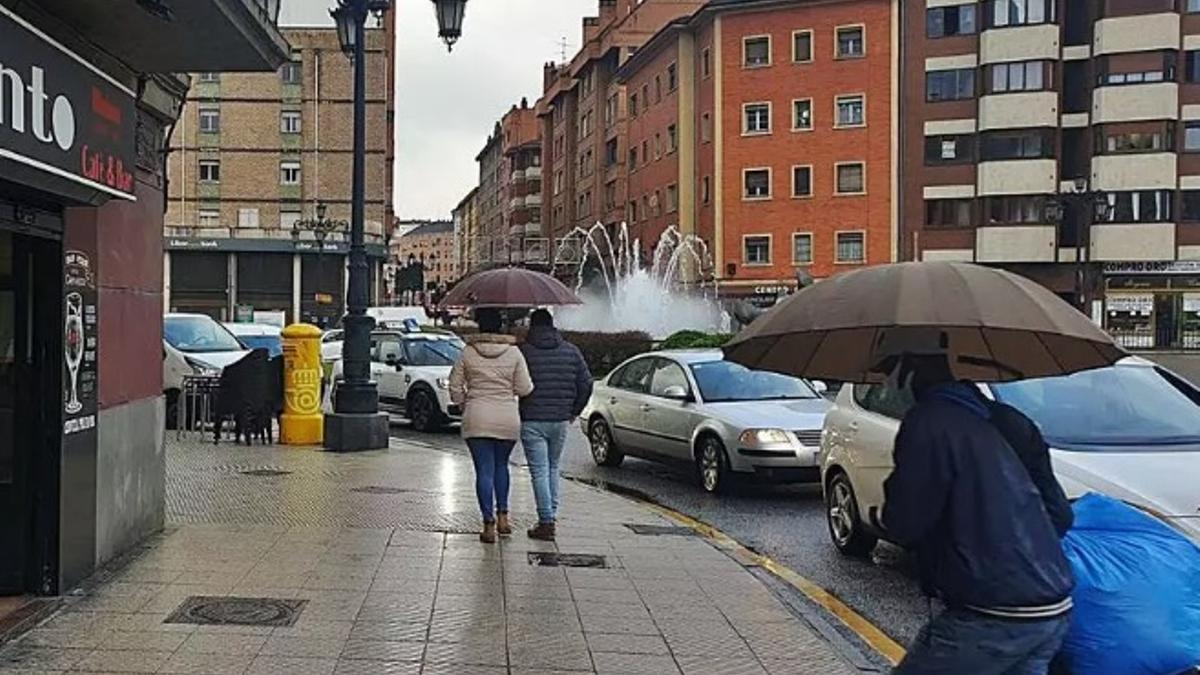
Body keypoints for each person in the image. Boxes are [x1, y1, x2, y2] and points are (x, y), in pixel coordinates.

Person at [882, 348, 1075, 675]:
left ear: (909, 376)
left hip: (993, 611)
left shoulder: (930, 421)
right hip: (1051, 605)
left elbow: (905, 520)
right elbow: (1060, 515)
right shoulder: (1009, 420)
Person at [448, 308, 534, 543]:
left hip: (477, 415)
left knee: (483, 471)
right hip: (507, 417)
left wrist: (464, 403)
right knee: (501, 467)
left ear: (479, 326)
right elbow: (525, 388)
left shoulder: (468, 352)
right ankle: (504, 517)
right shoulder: (514, 353)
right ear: (501, 326)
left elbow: (454, 384)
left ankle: (488, 525)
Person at [518, 309, 593, 541]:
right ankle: (550, 515)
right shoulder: (571, 351)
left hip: (531, 418)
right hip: (560, 419)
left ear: (532, 326)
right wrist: (574, 411)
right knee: (552, 467)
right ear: (553, 326)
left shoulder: (524, 352)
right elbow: (587, 383)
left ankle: (546, 521)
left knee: (539, 470)